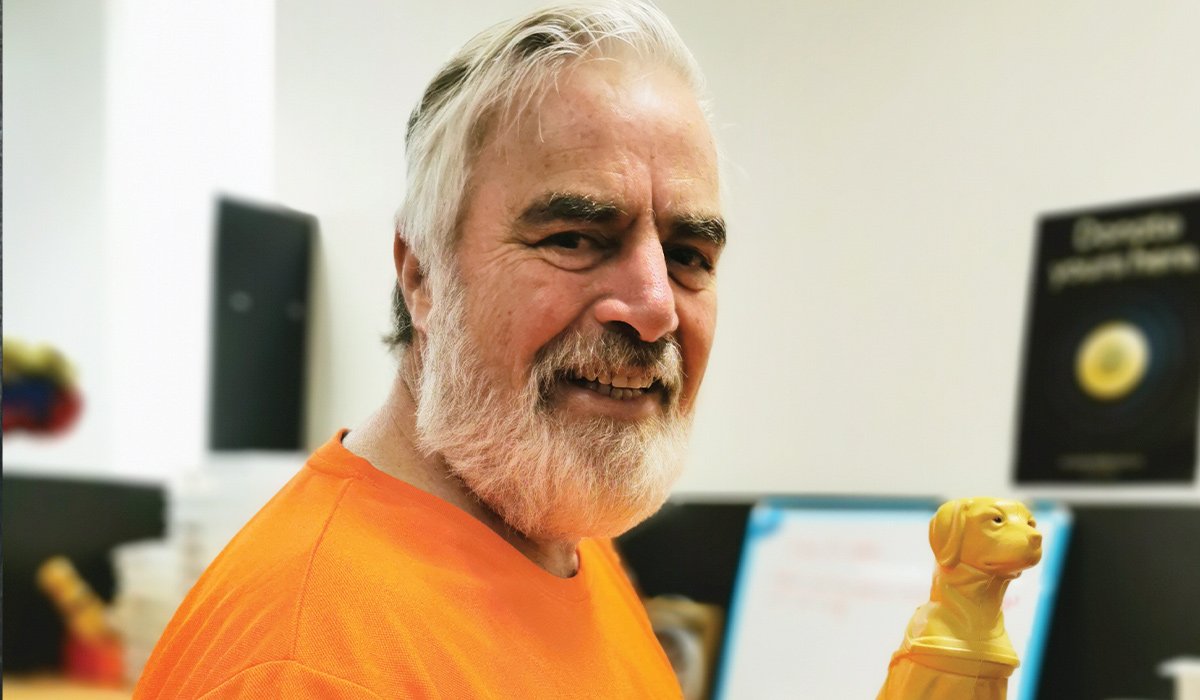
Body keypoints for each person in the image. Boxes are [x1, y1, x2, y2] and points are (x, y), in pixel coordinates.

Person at [134, 1, 725, 697]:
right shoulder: (311, 660)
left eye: (689, 254)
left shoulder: (569, 547)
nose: (655, 307)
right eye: (573, 238)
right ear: (422, 275)